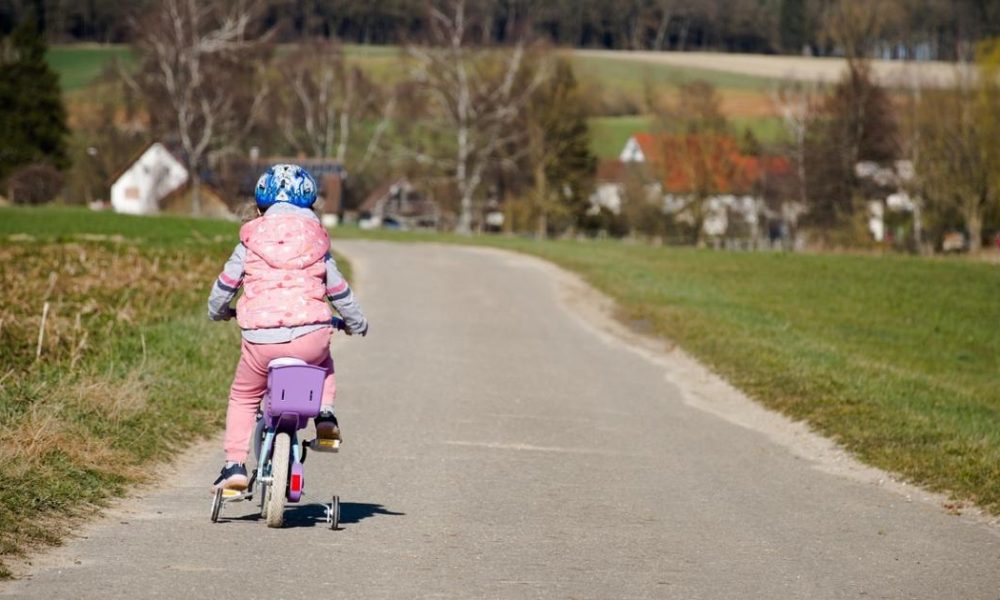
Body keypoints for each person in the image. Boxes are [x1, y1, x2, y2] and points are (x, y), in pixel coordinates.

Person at [207, 164, 368, 491]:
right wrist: (355, 322)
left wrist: (220, 311)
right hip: (311, 333)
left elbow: (225, 287)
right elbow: (339, 292)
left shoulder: (249, 241)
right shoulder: (317, 243)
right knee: (323, 363)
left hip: (260, 339)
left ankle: (234, 465)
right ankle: (325, 414)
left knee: (244, 396)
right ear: (311, 206)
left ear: (260, 205)